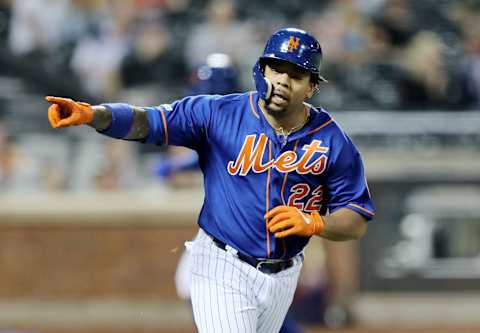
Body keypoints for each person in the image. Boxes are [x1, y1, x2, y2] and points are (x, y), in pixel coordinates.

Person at [45, 27, 375, 333]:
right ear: (261, 70)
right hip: (221, 263)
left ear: (312, 86)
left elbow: (356, 220)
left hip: (284, 275)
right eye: (276, 69)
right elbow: (148, 121)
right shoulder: (218, 113)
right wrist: (94, 115)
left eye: (296, 75)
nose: (283, 81)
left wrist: (315, 222)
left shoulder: (333, 141)